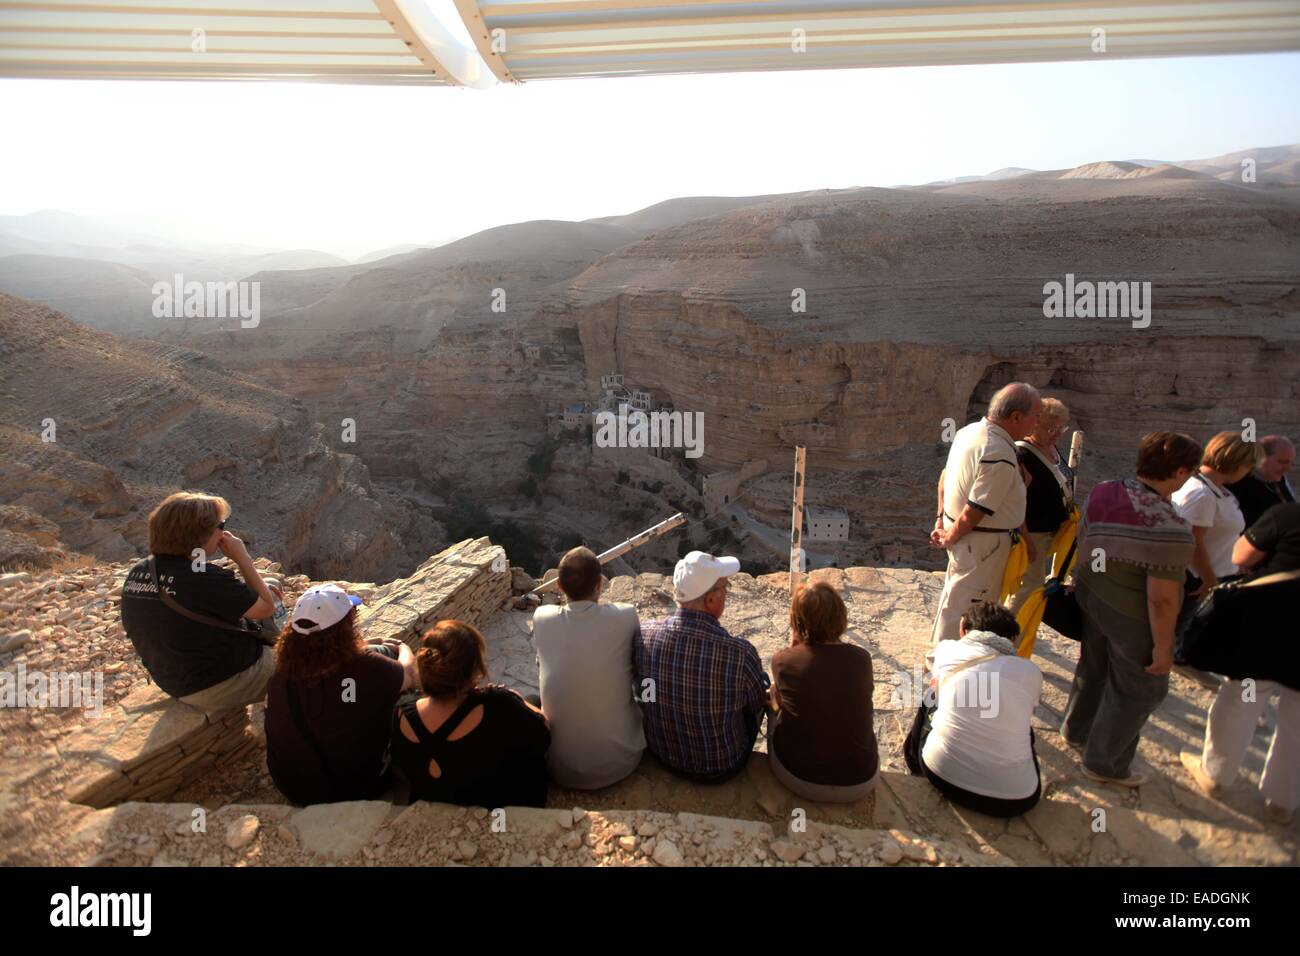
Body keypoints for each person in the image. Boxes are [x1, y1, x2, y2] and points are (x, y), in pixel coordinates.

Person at [1061, 432, 1201, 787]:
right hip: (1129, 614)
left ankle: (1076, 731)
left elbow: (1085, 537)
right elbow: (1161, 599)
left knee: (1094, 666)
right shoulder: (1171, 528)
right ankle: (1104, 763)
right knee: (1142, 688)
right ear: (1181, 471)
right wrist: (1164, 648)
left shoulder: (1104, 490)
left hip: (1092, 595)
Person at [1180, 501, 1300, 824]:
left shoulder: (1288, 515)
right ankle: (1283, 800)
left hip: (1269, 631)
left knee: (1243, 700)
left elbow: (1240, 556)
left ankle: (1216, 774)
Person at [121, 491, 283, 717]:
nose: (224, 532)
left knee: (268, 584)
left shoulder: (141, 570)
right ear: (199, 534)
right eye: (221, 525)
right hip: (217, 684)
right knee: (309, 663)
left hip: (171, 679)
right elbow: (267, 607)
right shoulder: (203, 577)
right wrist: (242, 556)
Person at [265, 585, 417, 805]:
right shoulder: (365, 666)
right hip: (357, 788)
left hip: (294, 788)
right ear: (346, 626)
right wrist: (403, 647)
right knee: (409, 700)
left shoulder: (280, 676)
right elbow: (409, 673)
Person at [635, 551, 770, 783]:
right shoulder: (739, 653)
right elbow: (756, 704)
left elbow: (645, 692)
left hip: (661, 755)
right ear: (710, 600)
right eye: (725, 589)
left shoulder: (644, 635)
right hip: (720, 765)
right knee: (761, 684)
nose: (727, 594)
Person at [389, 619, 551, 808]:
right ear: (475, 669)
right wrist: (515, 697)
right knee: (532, 700)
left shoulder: (402, 712)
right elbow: (544, 734)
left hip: (432, 798)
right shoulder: (499, 703)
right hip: (499, 806)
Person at [907, 602, 1043, 816]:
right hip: (1016, 800)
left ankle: (913, 761)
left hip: (941, 775)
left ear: (963, 629)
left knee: (932, 694)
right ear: (1013, 639)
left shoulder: (947, 649)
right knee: (1021, 723)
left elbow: (937, 682)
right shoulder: (1030, 671)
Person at [930, 382, 1041, 643]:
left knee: (955, 597)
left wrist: (941, 521)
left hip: (966, 536)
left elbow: (945, 479)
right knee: (969, 606)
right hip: (982, 543)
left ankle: (942, 659)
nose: (1036, 423)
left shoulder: (968, 432)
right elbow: (975, 510)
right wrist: (950, 536)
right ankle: (946, 664)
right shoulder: (997, 452)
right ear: (1016, 416)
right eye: (1035, 416)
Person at [532, 546, 645, 789]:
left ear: (559, 587)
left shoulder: (542, 617)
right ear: (600, 584)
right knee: (643, 691)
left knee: (533, 696)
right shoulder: (626, 616)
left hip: (560, 769)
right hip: (622, 762)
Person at [768, 582, 877, 802]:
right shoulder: (861, 659)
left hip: (798, 777)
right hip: (860, 780)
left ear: (796, 622)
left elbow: (783, 696)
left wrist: (794, 644)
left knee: (771, 697)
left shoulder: (783, 661)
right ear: (840, 617)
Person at [1007, 397, 1074, 617]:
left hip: (1051, 530)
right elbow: (1015, 500)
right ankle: (1007, 634)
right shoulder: (1022, 454)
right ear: (1034, 424)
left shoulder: (1051, 449)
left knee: (1036, 582)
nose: (1057, 434)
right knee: (1030, 585)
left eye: (1061, 428)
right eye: (1051, 428)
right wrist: (1025, 538)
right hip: (1032, 532)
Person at [1172, 431, 1256, 606]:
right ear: (1238, 463)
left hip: (1213, 577)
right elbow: (1193, 543)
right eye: (1250, 466)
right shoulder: (1202, 494)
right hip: (1197, 581)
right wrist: (1210, 581)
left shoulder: (1218, 491)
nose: (1249, 472)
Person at [1227, 435, 1296, 529]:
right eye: (1283, 462)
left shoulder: (1278, 479)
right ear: (1261, 457)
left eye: (1291, 463)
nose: (1289, 468)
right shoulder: (1238, 483)